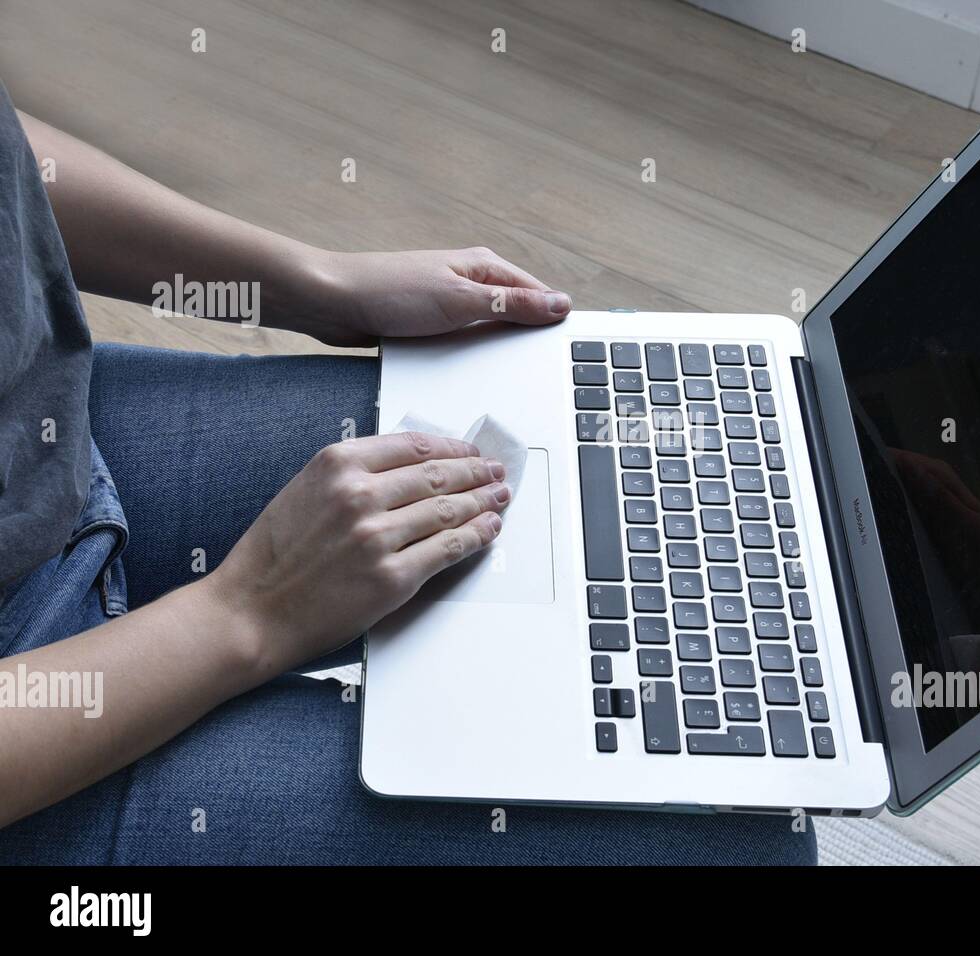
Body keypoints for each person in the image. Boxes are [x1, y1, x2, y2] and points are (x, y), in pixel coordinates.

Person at [0, 79, 815, 864]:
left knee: (625, 453)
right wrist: (248, 613)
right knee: (747, 845)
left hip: (47, 436)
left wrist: (321, 287)